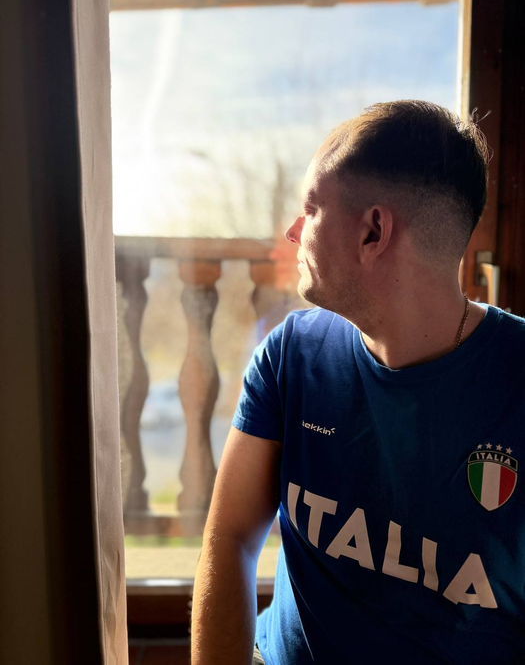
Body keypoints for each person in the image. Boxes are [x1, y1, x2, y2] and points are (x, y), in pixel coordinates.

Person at [191, 100, 525, 664]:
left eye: (311, 209)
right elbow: (231, 539)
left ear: (374, 231)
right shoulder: (292, 355)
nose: (293, 232)